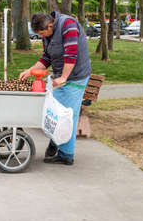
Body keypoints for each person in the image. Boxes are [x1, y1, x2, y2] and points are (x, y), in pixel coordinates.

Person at [19, 12, 92, 165]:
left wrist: (64, 77)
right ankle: (55, 142)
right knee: (55, 113)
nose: (41, 36)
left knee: (67, 115)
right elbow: (46, 58)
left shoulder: (68, 26)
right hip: (61, 77)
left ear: (50, 25)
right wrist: (30, 70)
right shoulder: (48, 34)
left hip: (75, 77)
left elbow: (71, 55)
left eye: (42, 33)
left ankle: (66, 155)